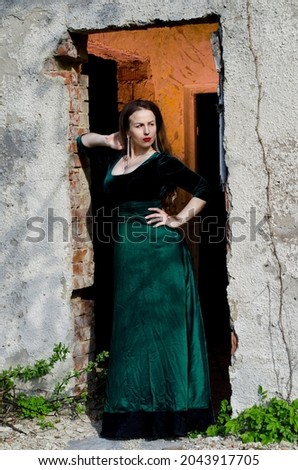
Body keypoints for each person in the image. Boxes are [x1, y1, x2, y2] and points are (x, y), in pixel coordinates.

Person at [77, 99, 214, 439]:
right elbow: (81, 141)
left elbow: (205, 188)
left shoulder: (162, 163)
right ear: (127, 129)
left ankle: (171, 415)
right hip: (127, 253)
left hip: (160, 253)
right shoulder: (114, 158)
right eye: (139, 125)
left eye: (152, 124)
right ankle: (131, 413)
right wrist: (110, 140)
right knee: (131, 328)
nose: (147, 131)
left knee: (163, 333)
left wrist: (178, 219)